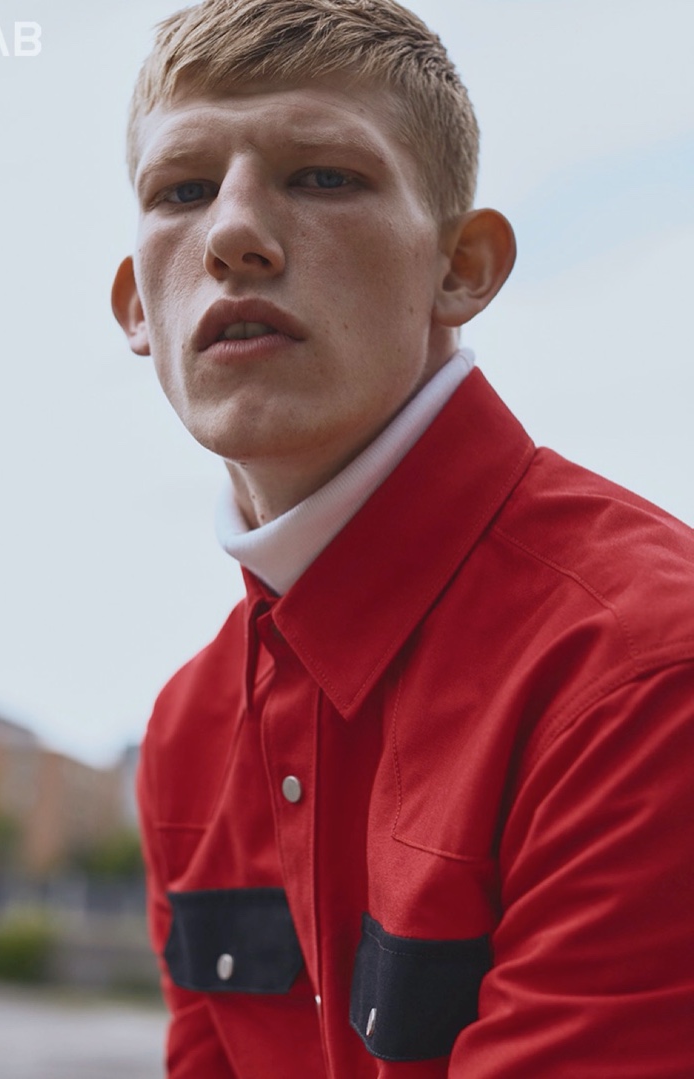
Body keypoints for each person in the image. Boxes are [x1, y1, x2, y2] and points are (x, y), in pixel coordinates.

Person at [111, 0, 694, 1074]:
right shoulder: (188, 732)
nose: (232, 233)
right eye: (182, 191)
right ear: (136, 305)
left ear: (460, 267)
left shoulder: (645, 670)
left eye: (323, 176)